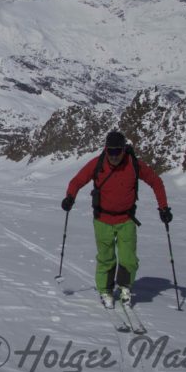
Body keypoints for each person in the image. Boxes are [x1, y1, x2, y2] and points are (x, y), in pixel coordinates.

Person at [61, 130, 172, 309]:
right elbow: (77, 181)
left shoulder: (133, 164)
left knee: (128, 259)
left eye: (117, 152)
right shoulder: (98, 163)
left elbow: (155, 182)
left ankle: (125, 287)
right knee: (106, 258)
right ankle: (105, 290)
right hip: (102, 219)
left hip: (126, 219)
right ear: (106, 149)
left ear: (123, 150)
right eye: (110, 151)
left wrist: (163, 207)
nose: (113, 156)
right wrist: (70, 197)